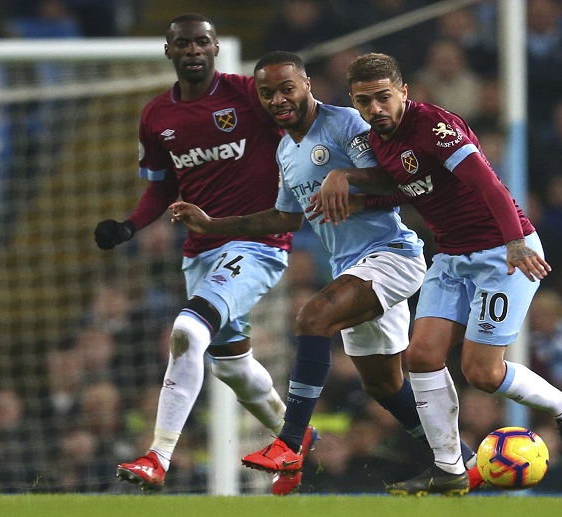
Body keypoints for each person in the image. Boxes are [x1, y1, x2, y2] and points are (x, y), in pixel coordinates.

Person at [170, 50, 482, 495]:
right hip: (350, 267)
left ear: (307, 85)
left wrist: (344, 175)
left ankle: (290, 443)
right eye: (267, 93)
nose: (278, 99)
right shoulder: (285, 149)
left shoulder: (346, 124)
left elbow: (399, 181)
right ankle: (461, 462)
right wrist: (213, 224)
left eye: (286, 88)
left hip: (391, 254)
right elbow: (286, 218)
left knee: (312, 319)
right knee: (382, 384)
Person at [310, 52, 562, 495]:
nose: (375, 109)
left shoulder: (433, 127)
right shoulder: (380, 141)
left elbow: (487, 182)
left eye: (383, 97)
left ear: (403, 92)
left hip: (503, 252)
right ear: (354, 101)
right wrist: (353, 193)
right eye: (364, 101)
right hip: (451, 257)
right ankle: (449, 468)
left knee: (482, 372)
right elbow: (406, 191)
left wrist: (516, 240)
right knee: (421, 355)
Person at [93, 14, 294, 493]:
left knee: (186, 329)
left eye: (202, 41)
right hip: (201, 251)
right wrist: (129, 226)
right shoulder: (156, 117)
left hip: (257, 244)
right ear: (169, 52)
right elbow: (161, 189)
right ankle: (298, 439)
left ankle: (157, 456)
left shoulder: (248, 93)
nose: (193, 50)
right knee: (233, 367)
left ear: (216, 47)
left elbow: (303, 120)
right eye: (183, 43)